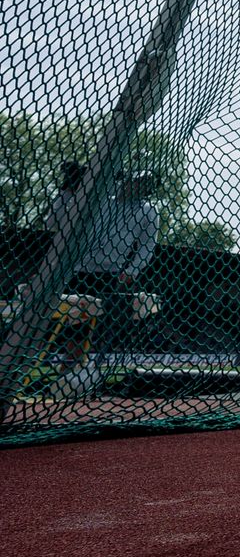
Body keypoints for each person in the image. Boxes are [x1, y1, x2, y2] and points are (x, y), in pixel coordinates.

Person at [44, 162, 160, 396]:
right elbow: (52, 223)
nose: (135, 185)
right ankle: (71, 371)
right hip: (77, 268)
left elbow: (148, 245)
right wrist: (69, 190)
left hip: (111, 273)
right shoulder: (101, 198)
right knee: (71, 321)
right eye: (134, 180)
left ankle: (78, 373)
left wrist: (133, 270)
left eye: (142, 183)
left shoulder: (148, 210)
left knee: (92, 323)